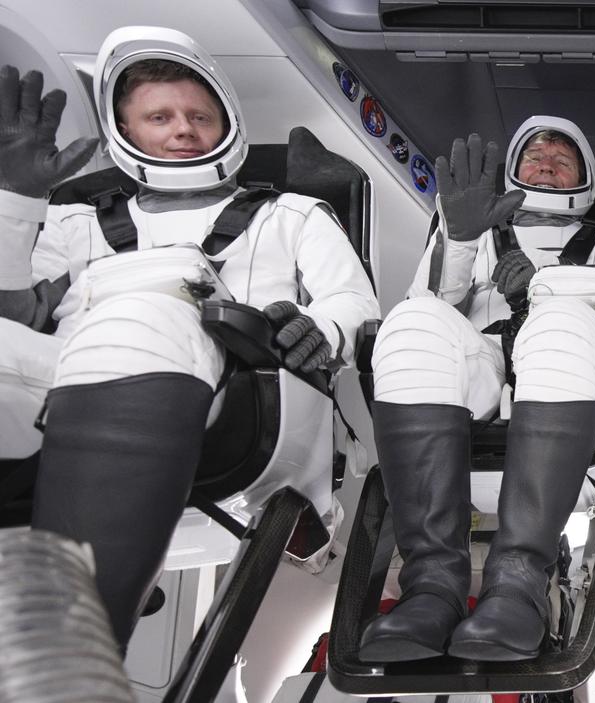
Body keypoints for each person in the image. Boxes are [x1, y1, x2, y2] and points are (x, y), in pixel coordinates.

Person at [0, 26, 378, 647]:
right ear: (125, 130)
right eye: (158, 117)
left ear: (226, 120)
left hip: (244, 400)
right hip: (70, 385)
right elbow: (14, 318)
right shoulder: (69, 221)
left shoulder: (292, 214)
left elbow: (353, 301)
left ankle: (74, 655)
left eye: (198, 115)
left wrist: (319, 327)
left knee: (151, 312)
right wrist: (16, 203)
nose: (182, 129)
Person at [358, 117, 595, 662]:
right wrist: (458, 239)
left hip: (575, 385)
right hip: (480, 379)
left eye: (562, 159)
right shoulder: (472, 229)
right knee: (411, 323)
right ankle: (431, 588)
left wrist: (545, 295)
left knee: (562, 322)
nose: (547, 165)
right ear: (513, 172)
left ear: (584, 177)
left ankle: (518, 585)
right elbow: (430, 301)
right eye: (535, 158)